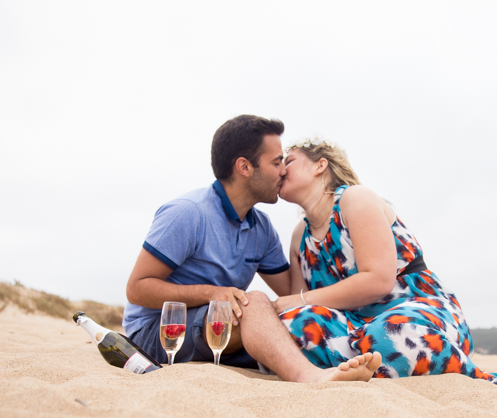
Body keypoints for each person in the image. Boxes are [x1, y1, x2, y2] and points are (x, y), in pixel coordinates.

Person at [122, 116, 381, 383]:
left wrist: (319, 242)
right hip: (160, 333)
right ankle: (311, 378)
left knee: (276, 313)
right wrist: (212, 294)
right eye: (276, 162)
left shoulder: (262, 228)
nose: (283, 171)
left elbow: (292, 294)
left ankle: (350, 366)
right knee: (254, 302)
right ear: (245, 167)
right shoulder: (189, 213)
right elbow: (137, 289)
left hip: (220, 328)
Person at [272, 136, 497, 385]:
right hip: (353, 326)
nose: (281, 170)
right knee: (288, 326)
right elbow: (297, 307)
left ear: (320, 165)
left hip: (414, 311)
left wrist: (300, 300)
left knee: (389, 332)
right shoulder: (299, 236)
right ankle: (357, 368)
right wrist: (296, 306)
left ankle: (482, 381)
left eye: (289, 161)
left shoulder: (355, 199)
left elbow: (378, 280)